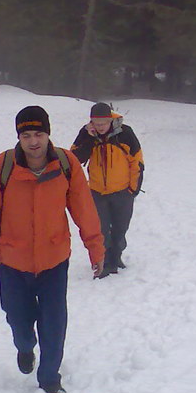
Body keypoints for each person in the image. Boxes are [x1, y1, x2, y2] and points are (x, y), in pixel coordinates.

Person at [0, 105, 105, 393]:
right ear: (19, 138)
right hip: (12, 261)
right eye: (27, 135)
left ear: (48, 134)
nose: (34, 142)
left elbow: (84, 209)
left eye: (39, 134)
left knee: (54, 321)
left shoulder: (66, 164)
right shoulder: (3, 167)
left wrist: (95, 248)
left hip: (54, 260)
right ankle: (25, 347)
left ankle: (49, 378)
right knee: (18, 320)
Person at [70, 102, 144, 278]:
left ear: (110, 119)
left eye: (103, 123)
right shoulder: (86, 133)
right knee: (100, 230)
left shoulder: (125, 133)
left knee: (120, 229)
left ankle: (116, 257)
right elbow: (74, 159)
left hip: (122, 192)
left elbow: (137, 161)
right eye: (96, 123)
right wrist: (88, 137)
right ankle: (104, 263)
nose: (100, 127)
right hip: (97, 192)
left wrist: (133, 189)